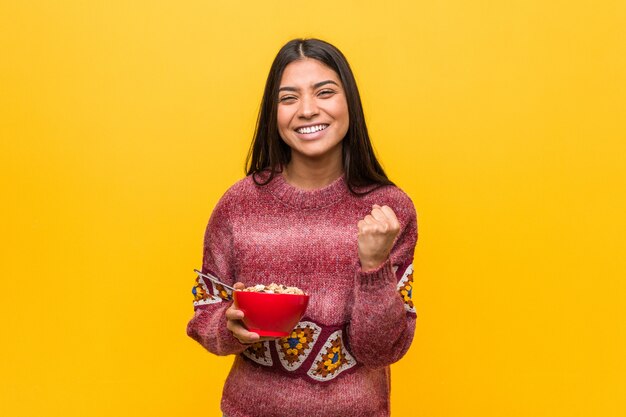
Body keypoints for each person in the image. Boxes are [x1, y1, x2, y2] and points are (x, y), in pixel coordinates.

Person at [187, 38, 418, 417]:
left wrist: (374, 268)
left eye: (325, 92)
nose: (308, 110)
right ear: (272, 113)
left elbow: (379, 351)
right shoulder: (238, 206)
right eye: (288, 98)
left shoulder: (390, 211)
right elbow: (204, 314)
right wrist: (228, 327)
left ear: (350, 104)